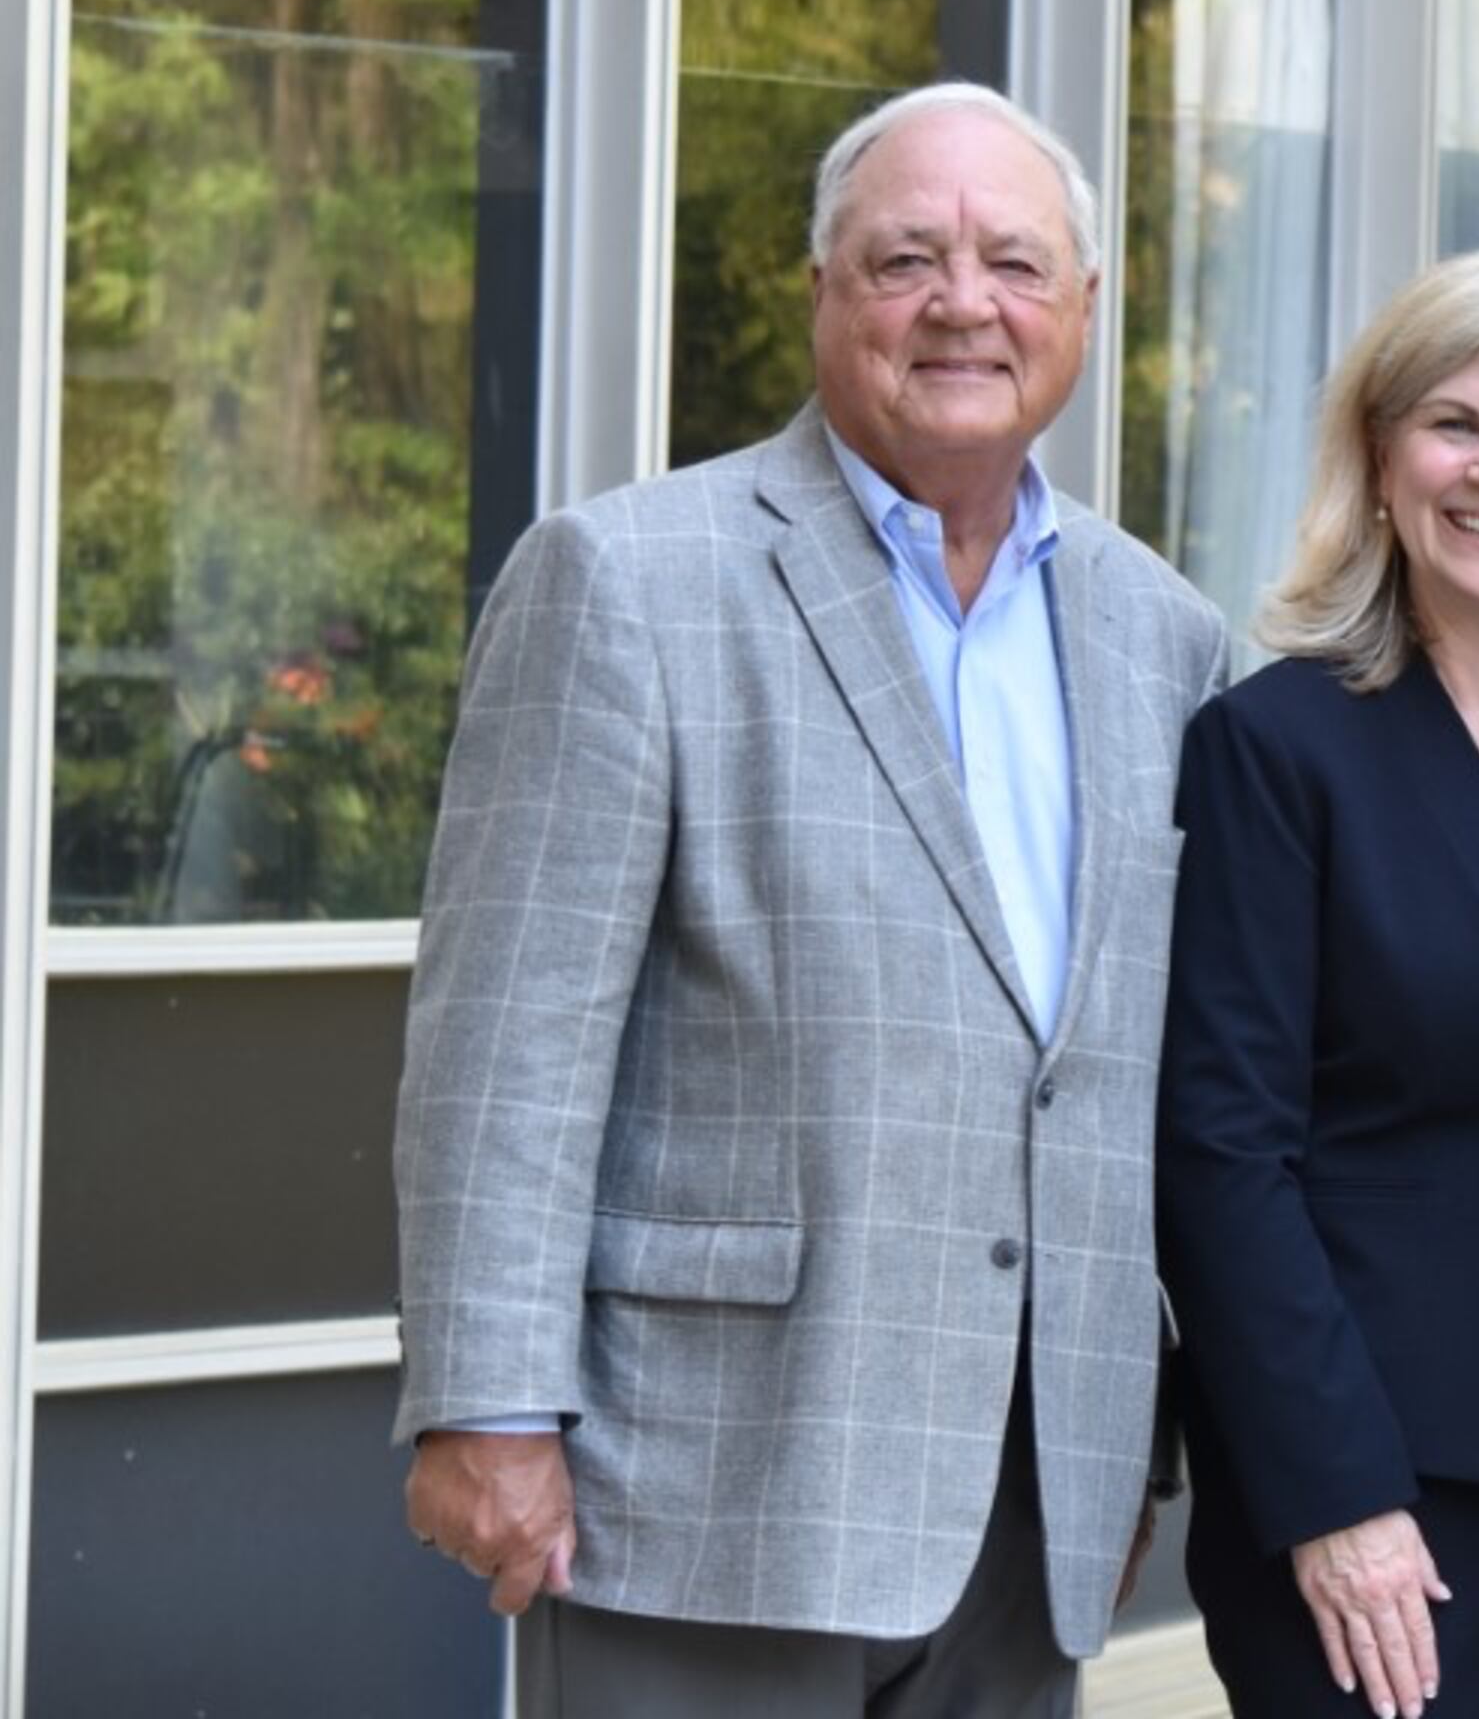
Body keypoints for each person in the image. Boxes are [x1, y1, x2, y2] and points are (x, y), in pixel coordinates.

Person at [393, 83, 1230, 1715]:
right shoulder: (628, 580)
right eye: (906, 259)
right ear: (823, 292)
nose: (963, 304)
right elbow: (509, 1039)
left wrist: (1134, 1430)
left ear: (1084, 305)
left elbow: (1139, 1076)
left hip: (1029, 1500)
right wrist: (486, 1401)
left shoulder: (1166, 638)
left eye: (1013, 263)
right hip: (707, 1478)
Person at [1154, 249, 1479, 1719]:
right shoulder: (1277, 749)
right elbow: (1221, 1154)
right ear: (1381, 454)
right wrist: (1337, 1497)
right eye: (1457, 424)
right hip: (1383, 1493)